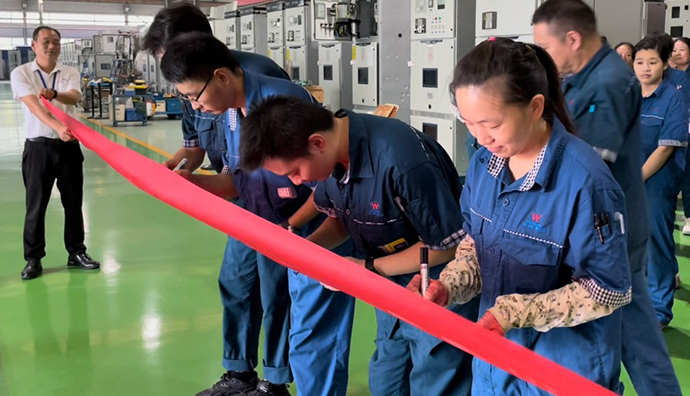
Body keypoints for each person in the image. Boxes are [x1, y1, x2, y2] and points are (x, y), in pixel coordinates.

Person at [409, 38, 631, 394]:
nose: (481, 138)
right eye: (469, 123)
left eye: (492, 124)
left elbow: (606, 291)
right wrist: (448, 284)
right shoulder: (484, 165)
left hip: (559, 371)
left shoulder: (585, 181)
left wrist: (515, 313)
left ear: (535, 106)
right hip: (495, 359)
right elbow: (477, 245)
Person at [239, 96, 478, 396]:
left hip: (435, 279)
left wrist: (369, 268)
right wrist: (306, 248)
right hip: (390, 281)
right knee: (387, 379)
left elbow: (447, 245)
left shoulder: (402, 162)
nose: (297, 182)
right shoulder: (334, 154)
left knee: (435, 378)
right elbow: (343, 218)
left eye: (294, 171)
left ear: (317, 143)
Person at [160, 33, 356, 396]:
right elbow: (242, 180)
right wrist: (191, 183)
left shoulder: (280, 103)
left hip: (305, 221)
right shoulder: (230, 112)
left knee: (297, 312)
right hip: (260, 217)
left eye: (194, 96)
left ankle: (277, 381)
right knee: (238, 284)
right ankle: (242, 374)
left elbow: (325, 185)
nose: (195, 106)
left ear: (221, 77)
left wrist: (290, 227)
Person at [532, 0, 681, 396]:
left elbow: (588, 163)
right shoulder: (581, 79)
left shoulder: (609, 82)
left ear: (573, 39)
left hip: (612, 232)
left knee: (633, 334)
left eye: (546, 46)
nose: (544, 57)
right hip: (600, 227)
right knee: (624, 332)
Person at [142, 2, 290, 174]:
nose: (172, 68)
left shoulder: (263, 78)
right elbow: (193, 148)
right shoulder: (191, 91)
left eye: (175, 58)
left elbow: (291, 163)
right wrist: (174, 168)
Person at [10, 26, 100, 280]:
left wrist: (54, 94)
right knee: (36, 205)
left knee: (73, 202)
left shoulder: (69, 72)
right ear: (34, 45)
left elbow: (73, 98)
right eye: (46, 42)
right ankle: (33, 258)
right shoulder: (21, 73)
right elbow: (34, 106)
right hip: (38, 147)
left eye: (56, 42)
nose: (51, 46)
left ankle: (76, 252)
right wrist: (58, 127)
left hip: (68, 147)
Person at [633, 36, 688, 327]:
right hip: (626, 181)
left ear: (665, 64)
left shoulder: (672, 98)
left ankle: (659, 311)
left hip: (657, 183)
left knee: (656, 244)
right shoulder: (628, 96)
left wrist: (635, 178)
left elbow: (665, 148)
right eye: (639, 62)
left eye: (652, 62)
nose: (645, 68)